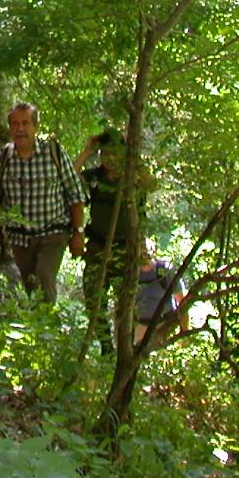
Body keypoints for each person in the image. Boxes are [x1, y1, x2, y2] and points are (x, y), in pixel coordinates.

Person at [0, 102, 87, 302]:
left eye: (25, 123)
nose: (20, 129)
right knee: (31, 285)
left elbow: (75, 193)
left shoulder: (53, 152)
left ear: (35, 127)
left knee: (43, 279)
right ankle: (38, 328)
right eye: (15, 124)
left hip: (53, 233)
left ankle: (46, 329)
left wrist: (78, 233)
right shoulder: (2, 157)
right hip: (19, 239)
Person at [78, 129, 151, 354]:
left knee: (126, 305)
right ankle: (106, 347)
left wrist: (132, 156)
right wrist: (87, 150)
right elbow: (69, 179)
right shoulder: (95, 177)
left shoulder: (133, 179)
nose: (109, 159)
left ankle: (126, 349)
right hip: (97, 248)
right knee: (94, 301)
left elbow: (150, 183)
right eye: (105, 154)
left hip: (124, 250)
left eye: (114, 154)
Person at [133, 239, 187, 349]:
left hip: (165, 325)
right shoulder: (131, 274)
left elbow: (182, 302)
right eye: (141, 252)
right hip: (141, 326)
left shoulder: (164, 271)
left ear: (154, 252)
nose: (144, 256)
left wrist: (184, 332)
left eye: (146, 252)